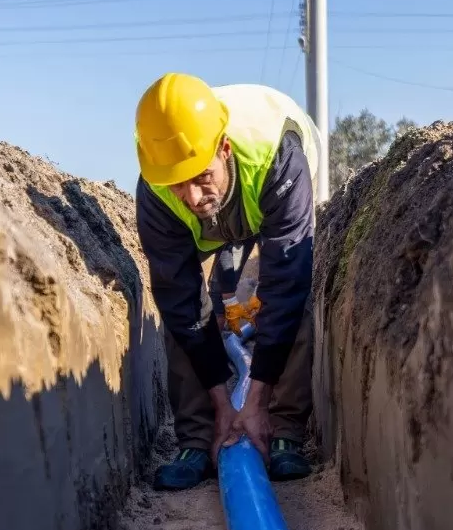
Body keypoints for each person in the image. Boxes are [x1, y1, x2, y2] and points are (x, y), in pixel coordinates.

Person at [134, 73, 322, 490]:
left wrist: (254, 399)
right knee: (182, 317)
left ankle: (283, 427)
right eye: (177, 184)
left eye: (201, 177)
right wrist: (223, 405)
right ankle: (198, 439)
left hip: (274, 185)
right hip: (221, 209)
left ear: (224, 149)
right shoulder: (156, 188)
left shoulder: (276, 154)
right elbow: (180, 298)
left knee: (293, 300)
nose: (193, 197)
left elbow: (286, 284)